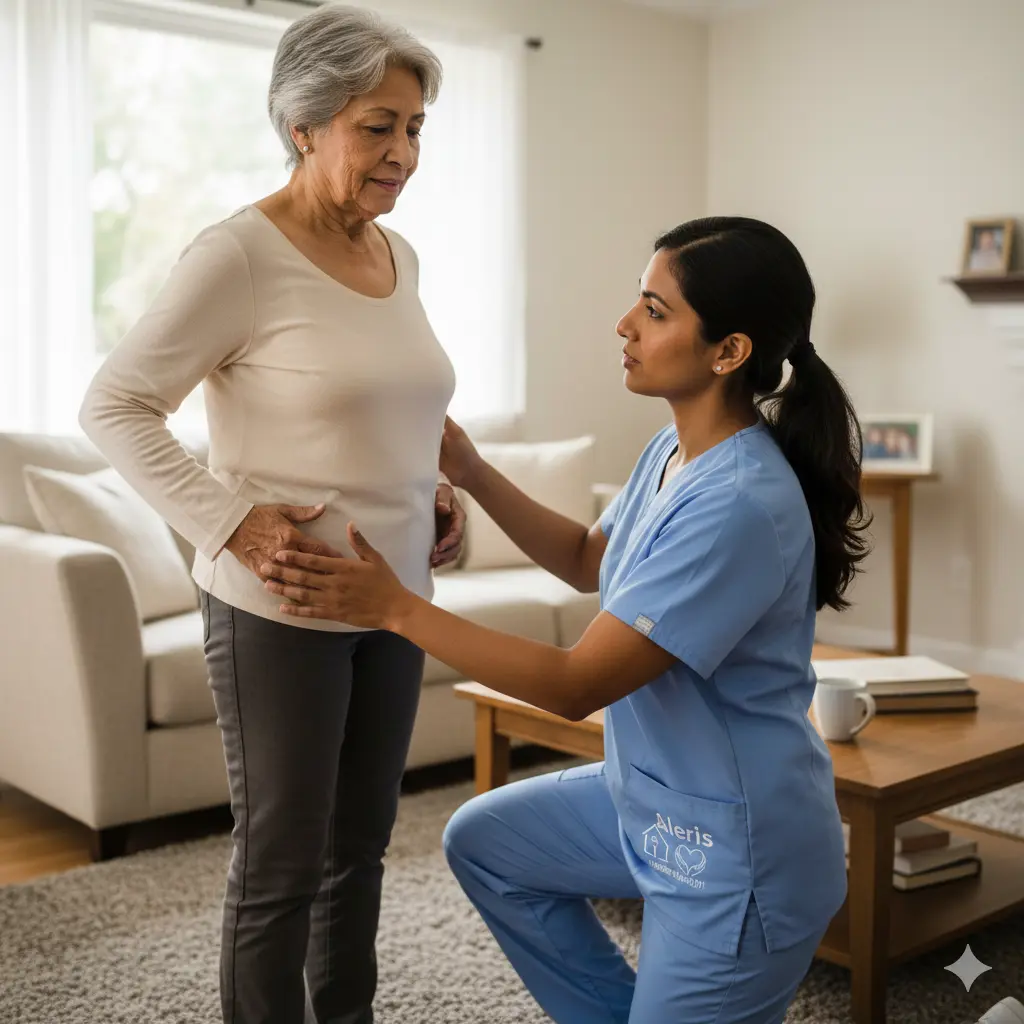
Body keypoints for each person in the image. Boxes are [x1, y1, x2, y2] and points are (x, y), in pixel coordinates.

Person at [255, 216, 873, 1022]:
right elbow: (589, 558)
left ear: (729, 353)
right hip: (655, 804)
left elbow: (578, 683)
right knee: (486, 842)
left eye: (655, 311)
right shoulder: (674, 451)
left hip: (737, 859)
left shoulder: (740, 505)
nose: (625, 325)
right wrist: (472, 470)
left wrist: (396, 609)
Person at [79, 6, 462, 1023]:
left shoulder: (399, 256)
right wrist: (233, 521)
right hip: (277, 608)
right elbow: (113, 406)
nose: (402, 153)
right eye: (377, 125)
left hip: (393, 603)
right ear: (304, 123)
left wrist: (436, 490)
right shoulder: (237, 254)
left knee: (361, 847)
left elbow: (389, 407)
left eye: (415, 127)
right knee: (284, 859)